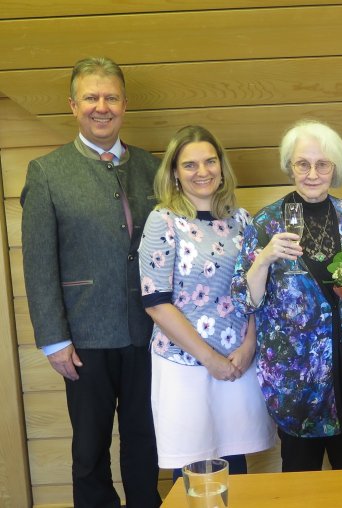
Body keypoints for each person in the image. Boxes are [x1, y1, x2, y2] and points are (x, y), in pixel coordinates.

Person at [20, 57, 161, 507]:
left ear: (125, 104)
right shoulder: (47, 172)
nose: (102, 107)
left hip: (148, 332)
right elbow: (39, 262)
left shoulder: (152, 168)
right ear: (73, 105)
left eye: (111, 97)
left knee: (146, 442)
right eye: (91, 97)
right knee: (89, 451)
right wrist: (53, 339)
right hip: (82, 339)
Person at [231, 120, 342, 472]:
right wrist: (265, 258)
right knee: (300, 483)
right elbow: (244, 300)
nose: (312, 174)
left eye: (322, 164)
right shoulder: (266, 223)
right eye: (303, 164)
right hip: (297, 383)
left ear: (335, 169)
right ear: (290, 167)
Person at [138, 125, 276, 478]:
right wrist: (209, 358)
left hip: (236, 365)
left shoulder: (242, 221)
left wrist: (249, 345)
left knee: (236, 466)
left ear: (221, 165)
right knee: (195, 472)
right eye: (190, 165)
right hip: (184, 365)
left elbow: (257, 290)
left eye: (210, 161)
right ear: (174, 172)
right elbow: (156, 303)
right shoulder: (163, 220)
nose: (202, 172)